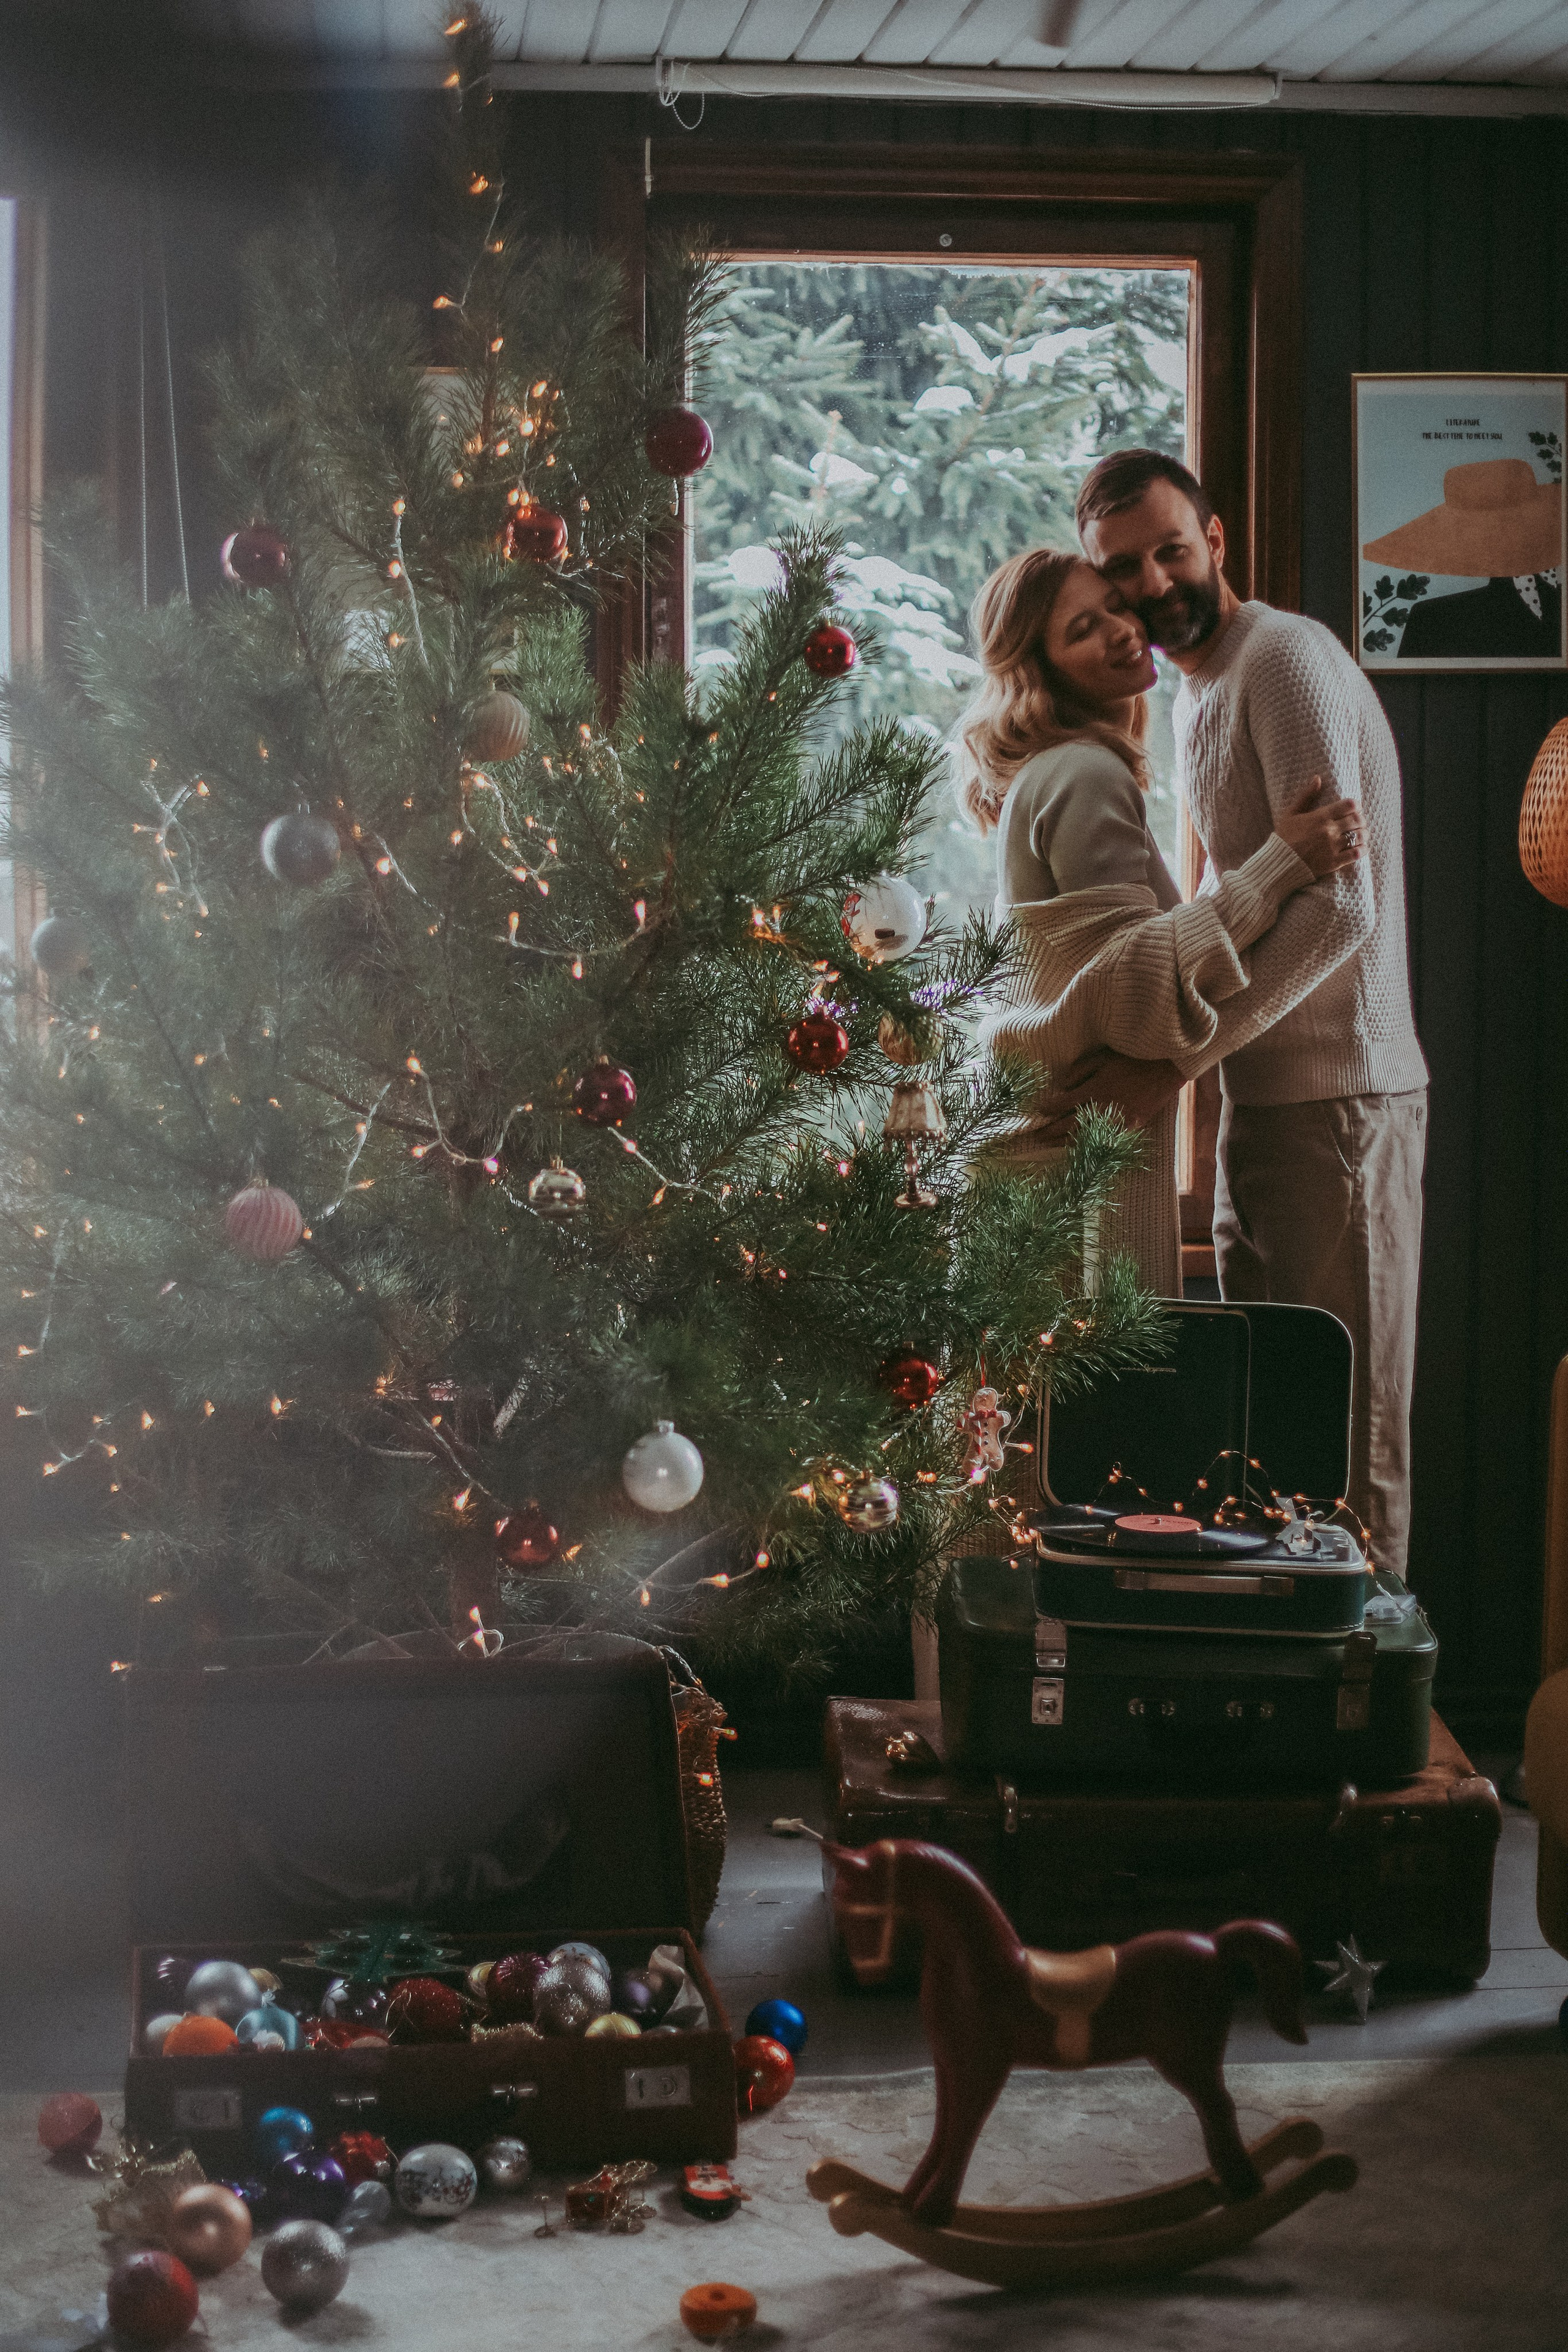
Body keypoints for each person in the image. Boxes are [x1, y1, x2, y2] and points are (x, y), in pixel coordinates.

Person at [1068, 448, 1429, 1580]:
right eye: (1121, 568)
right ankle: (1297, 1712)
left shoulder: (1283, 662)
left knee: (1352, 1431)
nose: (1151, 581)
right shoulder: (1194, 689)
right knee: (1280, 1430)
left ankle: (1382, 1718)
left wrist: (1184, 1059)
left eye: (1171, 549)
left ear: (1215, 541)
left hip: (1344, 1101)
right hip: (1264, 1099)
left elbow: (1344, 913)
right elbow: (1264, 892)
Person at [960, 544, 1363, 1300]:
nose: (1119, 629)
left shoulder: (1062, 769)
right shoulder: (1084, 773)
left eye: (1114, 607)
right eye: (1083, 629)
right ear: (1042, 670)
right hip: (1066, 1174)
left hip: (1045, 1161)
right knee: (1088, 1414)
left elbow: (1110, 969)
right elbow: (1135, 996)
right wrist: (1281, 865)